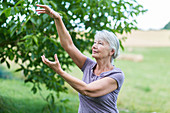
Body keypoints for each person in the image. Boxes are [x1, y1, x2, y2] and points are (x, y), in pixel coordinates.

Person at [36, 4, 124, 113]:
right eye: (94, 42)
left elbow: (87, 90)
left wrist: (60, 72)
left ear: (112, 51)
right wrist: (57, 18)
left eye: (100, 43)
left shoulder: (116, 76)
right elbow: (68, 45)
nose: (94, 46)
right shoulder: (89, 66)